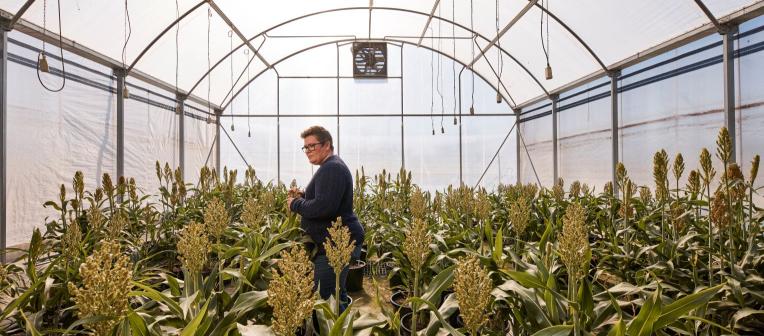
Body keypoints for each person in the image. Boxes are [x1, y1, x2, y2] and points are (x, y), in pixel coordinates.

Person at [287, 125, 365, 312]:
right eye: (305, 147)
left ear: (327, 145)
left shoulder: (332, 168)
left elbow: (323, 207)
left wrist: (294, 204)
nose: (307, 151)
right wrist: (303, 194)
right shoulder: (330, 167)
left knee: (326, 299)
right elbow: (327, 198)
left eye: (312, 146)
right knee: (336, 293)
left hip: (336, 245)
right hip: (334, 243)